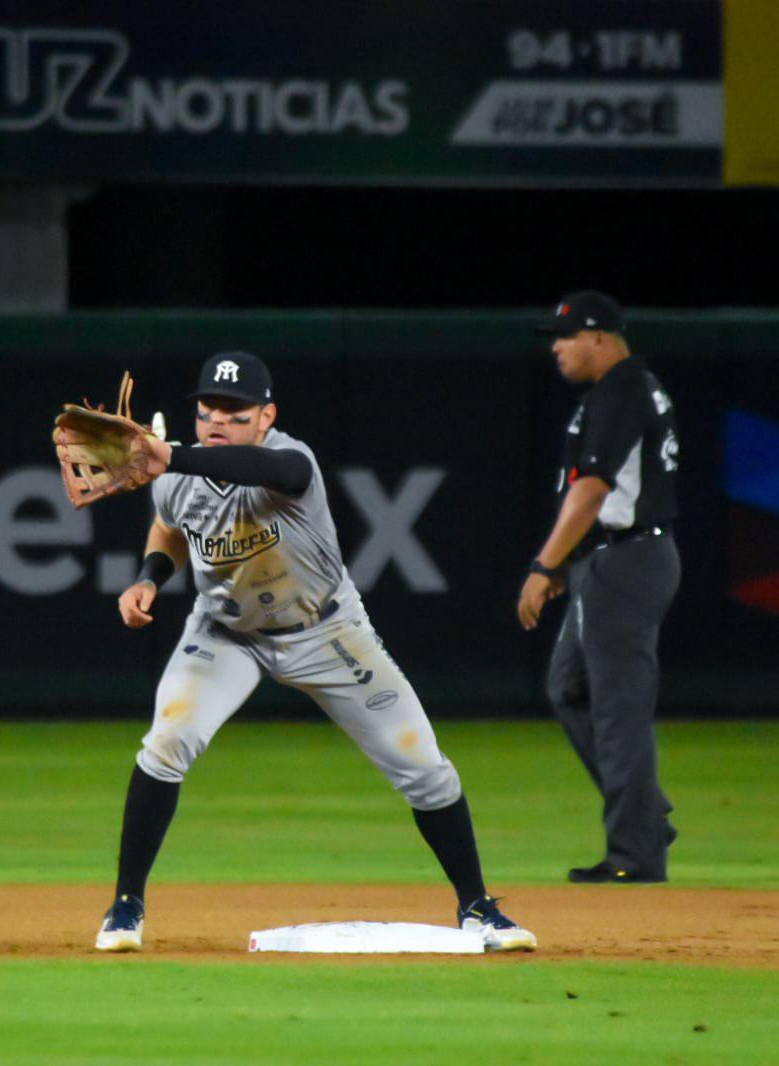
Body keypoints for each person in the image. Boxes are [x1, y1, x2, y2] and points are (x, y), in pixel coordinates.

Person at [94, 350, 536, 952]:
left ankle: (479, 907)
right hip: (226, 633)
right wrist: (149, 577)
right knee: (167, 740)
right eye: (208, 409)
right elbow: (168, 528)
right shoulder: (175, 478)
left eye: (234, 409)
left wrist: (171, 454)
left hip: (326, 631)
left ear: (265, 415)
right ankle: (125, 908)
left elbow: (271, 472)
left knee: (424, 767)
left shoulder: (290, 458)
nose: (218, 418)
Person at [517, 291, 681, 884]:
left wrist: (544, 565)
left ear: (599, 337)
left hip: (629, 560)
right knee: (570, 689)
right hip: (613, 558)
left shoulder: (620, 389)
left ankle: (635, 854)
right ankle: (644, 814)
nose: (556, 348)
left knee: (618, 709)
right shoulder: (625, 388)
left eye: (565, 336)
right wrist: (568, 563)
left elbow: (591, 491)